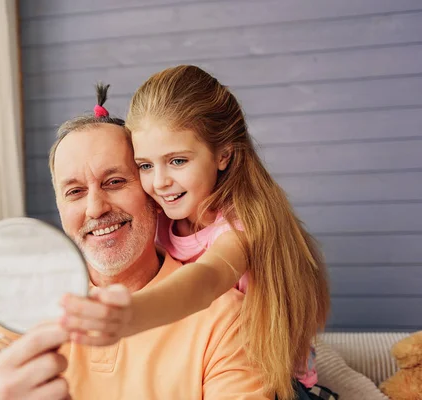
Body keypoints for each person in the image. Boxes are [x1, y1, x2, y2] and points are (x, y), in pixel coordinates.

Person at [0, 87, 278, 399]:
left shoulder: (226, 318)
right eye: (74, 191)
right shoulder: (17, 302)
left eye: (115, 182)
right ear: (60, 207)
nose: (95, 208)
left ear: (152, 193)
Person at [59, 66, 331, 400]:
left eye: (177, 161)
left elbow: (203, 282)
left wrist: (131, 314)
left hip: (279, 383)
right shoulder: (160, 213)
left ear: (223, 156)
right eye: (145, 165)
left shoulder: (242, 228)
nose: (160, 182)